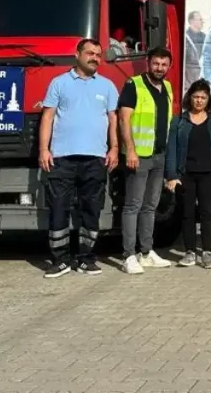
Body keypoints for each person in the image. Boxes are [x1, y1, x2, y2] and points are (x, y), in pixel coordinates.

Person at [38, 38, 119, 278]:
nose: (95, 58)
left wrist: (114, 148)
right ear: (77, 54)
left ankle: (86, 258)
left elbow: (113, 119)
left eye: (98, 54)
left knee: (91, 210)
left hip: (95, 159)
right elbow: (48, 117)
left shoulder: (107, 86)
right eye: (90, 53)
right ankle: (60, 260)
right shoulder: (59, 83)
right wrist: (44, 149)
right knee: (59, 209)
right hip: (62, 158)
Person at [117, 48, 175, 274]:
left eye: (164, 64)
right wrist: (129, 150)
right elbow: (124, 118)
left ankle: (146, 252)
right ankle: (129, 256)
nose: (159, 68)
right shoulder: (134, 85)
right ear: (148, 63)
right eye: (156, 63)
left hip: (159, 155)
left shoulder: (167, 87)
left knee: (150, 206)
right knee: (133, 205)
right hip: (138, 156)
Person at [164, 79, 211, 269]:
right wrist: (171, 175)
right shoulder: (179, 121)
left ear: (208, 100)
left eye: (203, 98)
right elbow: (172, 149)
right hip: (186, 175)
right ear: (189, 98)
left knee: (208, 213)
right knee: (187, 213)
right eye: (196, 97)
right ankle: (190, 252)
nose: (199, 101)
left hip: (208, 174)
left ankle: (207, 253)